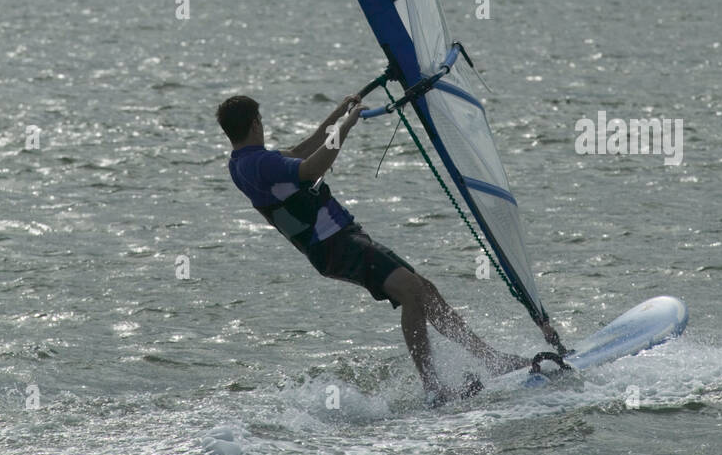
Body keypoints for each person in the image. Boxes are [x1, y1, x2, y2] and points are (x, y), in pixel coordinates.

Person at [218, 92, 529, 402]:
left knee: (424, 289)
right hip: (334, 245)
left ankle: (490, 360)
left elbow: (300, 150)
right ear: (255, 123)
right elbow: (311, 168)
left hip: (341, 240)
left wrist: (337, 115)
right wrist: (348, 125)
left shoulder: (242, 163)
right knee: (410, 290)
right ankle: (434, 387)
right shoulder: (260, 163)